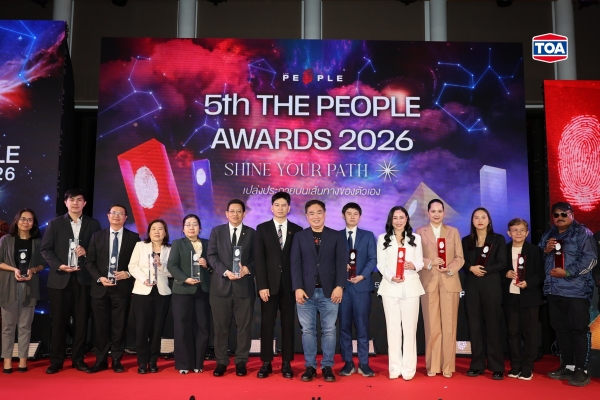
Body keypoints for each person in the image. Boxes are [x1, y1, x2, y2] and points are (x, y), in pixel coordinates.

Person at [40, 189, 101, 374]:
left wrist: (87, 252)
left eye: (79, 199)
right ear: (65, 203)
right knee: (59, 321)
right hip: (60, 279)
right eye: (71, 199)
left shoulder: (93, 224)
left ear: (85, 203)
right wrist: (59, 265)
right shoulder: (55, 223)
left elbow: (99, 250)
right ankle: (56, 360)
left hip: (84, 279)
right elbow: (45, 249)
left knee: (82, 322)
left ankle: (78, 359)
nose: (75, 203)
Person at [540, 202, 597, 387]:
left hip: (576, 291)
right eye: (556, 215)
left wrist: (567, 272)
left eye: (563, 214)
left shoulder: (583, 233)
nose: (560, 218)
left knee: (579, 330)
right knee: (560, 329)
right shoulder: (548, 235)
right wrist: (545, 250)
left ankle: (582, 370)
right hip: (553, 290)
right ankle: (568, 365)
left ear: (572, 214)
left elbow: (591, 260)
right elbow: (537, 258)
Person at [291, 200, 346, 383]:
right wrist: (298, 287)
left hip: (330, 292)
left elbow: (341, 263)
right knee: (308, 331)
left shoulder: (336, 236)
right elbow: (295, 264)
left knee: (329, 330)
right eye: (312, 213)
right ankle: (310, 367)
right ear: (307, 216)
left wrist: (339, 286)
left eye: (319, 212)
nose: (316, 216)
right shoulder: (300, 237)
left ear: (325, 214)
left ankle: (327, 366)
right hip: (305, 293)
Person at [85, 204, 140, 373]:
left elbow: (138, 263)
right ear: (108, 216)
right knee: (100, 327)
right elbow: (90, 262)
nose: (116, 216)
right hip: (100, 288)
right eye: (113, 213)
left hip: (122, 289)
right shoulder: (97, 236)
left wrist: (128, 274)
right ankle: (100, 360)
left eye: (120, 213)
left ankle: (117, 360)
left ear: (126, 218)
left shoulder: (134, 238)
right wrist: (99, 278)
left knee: (119, 326)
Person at [254, 192, 302, 379]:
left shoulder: (297, 230)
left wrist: (298, 285)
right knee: (267, 324)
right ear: (271, 207)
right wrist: (262, 285)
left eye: (284, 205)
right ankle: (266, 362)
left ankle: (287, 362)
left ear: (289, 208)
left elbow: (298, 261)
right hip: (269, 286)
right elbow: (259, 259)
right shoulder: (262, 229)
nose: (280, 208)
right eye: (277, 205)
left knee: (288, 324)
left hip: (289, 286)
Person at [207, 199, 256, 377]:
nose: (235, 214)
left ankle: (241, 361)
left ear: (244, 214)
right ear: (226, 214)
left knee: (244, 327)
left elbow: (258, 258)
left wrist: (247, 269)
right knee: (221, 327)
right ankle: (221, 362)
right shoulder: (217, 231)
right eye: (232, 211)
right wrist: (226, 272)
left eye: (239, 211)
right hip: (220, 288)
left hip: (244, 289)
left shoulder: (252, 233)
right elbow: (211, 256)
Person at [416, 199, 464, 378]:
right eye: (433, 211)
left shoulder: (453, 232)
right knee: (432, 326)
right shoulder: (419, 232)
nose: (436, 214)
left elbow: (460, 257)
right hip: (429, 283)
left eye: (439, 211)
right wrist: (430, 262)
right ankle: (433, 365)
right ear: (427, 213)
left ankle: (448, 366)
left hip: (449, 281)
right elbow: (416, 257)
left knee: (449, 326)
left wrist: (449, 268)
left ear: (444, 213)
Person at [377, 206, 424, 381]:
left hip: (411, 287)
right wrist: (391, 277)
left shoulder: (416, 238)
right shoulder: (383, 238)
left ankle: (409, 369)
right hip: (390, 288)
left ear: (407, 219)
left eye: (401, 217)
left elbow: (420, 261)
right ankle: (394, 368)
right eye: (395, 218)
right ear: (391, 220)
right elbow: (381, 264)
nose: (398, 221)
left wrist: (414, 265)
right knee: (393, 329)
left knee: (410, 330)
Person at [461, 207, 507, 380]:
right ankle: (477, 365)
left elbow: (502, 262)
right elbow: (461, 261)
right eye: (476, 217)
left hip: (491, 285)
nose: (480, 220)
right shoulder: (466, 240)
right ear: (472, 221)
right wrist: (470, 268)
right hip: (472, 285)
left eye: (483, 217)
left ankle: (496, 366)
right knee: (474, 326)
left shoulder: (498, 239)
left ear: (489, 220)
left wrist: (484, 270)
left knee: (493, 325)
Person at [0, 209, 45, 373]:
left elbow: (42, 264)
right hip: (8, 287)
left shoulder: (37, 242)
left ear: (34, 223)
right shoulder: (6, 240)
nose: (26, 222)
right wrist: (14, 270)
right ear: (17, 221)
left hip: (29, 288)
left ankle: (23, 361)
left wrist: (33, 269)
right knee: (8, 326)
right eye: (23, 219)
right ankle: (7, 361)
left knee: (25, 326)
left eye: (30, 220)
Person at [167, 214, 212, 374]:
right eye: (188, 224)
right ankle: (184, 364)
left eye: (194, 224)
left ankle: (198, 362)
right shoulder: (178, 244)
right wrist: (185, 279)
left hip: (203, 290)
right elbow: (172, 265)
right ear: (183, 228)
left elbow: (214, 265)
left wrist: (207, 265)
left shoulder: (207, 243)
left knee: (202, 327)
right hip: (182, 291)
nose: (191, 227)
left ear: (200, 228)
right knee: (182, 327)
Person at [338, 202, 377, 378]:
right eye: (349, 213)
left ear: (360, 216)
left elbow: (372, 259)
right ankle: (347, 362)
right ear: (343, 216)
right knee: (344, 326)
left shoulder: (368, 236)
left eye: (355, 214)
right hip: (342, 288)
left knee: (362, 326)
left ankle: (364, 363)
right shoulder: (336, 236)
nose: (352, 216)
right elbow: (330, 259)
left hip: (362, 287)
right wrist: (341, 268)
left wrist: (362, 276)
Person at [502, 218, 544, 381]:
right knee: (512, 332)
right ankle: (515, 365)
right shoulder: (504, 250)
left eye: (521, 230)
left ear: (527, 233)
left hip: (529, 297)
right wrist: (505, 273)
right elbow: (497, 269)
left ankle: (527, 366)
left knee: (530, 332)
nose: (518, 233)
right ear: (509, 233)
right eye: (515, 230)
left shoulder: (534, 250)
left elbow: (540, 273)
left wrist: (528, 283)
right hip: (510, 297)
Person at [129, 219, 172, 374]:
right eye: (153, 229)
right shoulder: (140, 246)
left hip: (162, 293)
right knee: (142, 328)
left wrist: (161, 265)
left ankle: (153, 361)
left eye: (160, 229)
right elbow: (132, 266)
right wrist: (144, 279)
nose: (157, 232)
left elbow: (172, 272)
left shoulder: (170, 249)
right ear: (149, 232)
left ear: (165, 232)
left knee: (157, 328)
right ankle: (142, 362)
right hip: (142, 292)